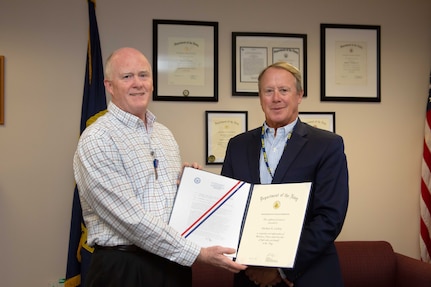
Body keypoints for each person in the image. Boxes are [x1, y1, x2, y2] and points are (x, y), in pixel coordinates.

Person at [73, 47, 246, 287]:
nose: (138, 83)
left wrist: (189, 185)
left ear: (152, 82)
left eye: (143, 75)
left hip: (172, 266)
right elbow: (131, 220)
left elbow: (167, 206)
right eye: (127, 76)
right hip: (124, 269)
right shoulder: (98, 139)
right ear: (109, 86)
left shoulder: (163, 135)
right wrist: (198, 253)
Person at [221, 62, 349, 287]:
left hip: (308, 274)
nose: (276, 98)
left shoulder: (327, 145)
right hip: (250, 276)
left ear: (299, 95)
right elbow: (228, 210)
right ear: (260, 98)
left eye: (284, 90)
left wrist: (281, 269)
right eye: (268, 91)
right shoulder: (237, 145)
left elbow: (329, 218)